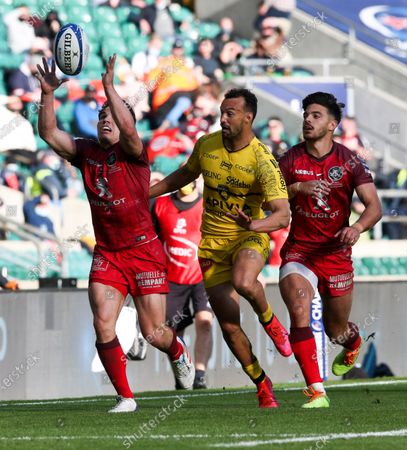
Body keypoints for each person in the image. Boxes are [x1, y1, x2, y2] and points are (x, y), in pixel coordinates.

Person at [35, 54, 195, 413]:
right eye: (101, 115)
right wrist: (48, 94)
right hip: (108, 253)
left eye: (112, 115)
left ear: (126, 125)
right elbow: (48, 133)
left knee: (154, 331)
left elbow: (130, 128)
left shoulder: (135, 154)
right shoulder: (86, 152)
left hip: (144, 250)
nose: (105, 119)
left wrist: (110, 89)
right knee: (102, 323)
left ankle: (177, 349)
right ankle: (126, 397)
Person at [150, 88, 292, 408]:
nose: (222, 118)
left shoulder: (263, 161)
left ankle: (270, 321)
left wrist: (254, 225)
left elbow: (283, 215)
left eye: (230, 113)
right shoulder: (207, 144)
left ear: (248, 118)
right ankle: (261, 382)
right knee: (229, 326)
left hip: (249, 237)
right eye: (221, 112)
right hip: (211, 247)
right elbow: (184, 174)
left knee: (244, 282)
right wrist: (149, 192)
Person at [277, 92, 382, 408]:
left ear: (333, 124)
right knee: (299, 309)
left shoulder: (349, 160)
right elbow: (267, 197)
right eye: (306, 114)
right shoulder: (290, 159)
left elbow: (374, 206)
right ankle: (317, 390)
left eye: (316, 115)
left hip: (336, 254)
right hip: (300, 251)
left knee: (336, 331)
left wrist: (357, 227)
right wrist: (296, 188)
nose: (308, 119)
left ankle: (351, 343)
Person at [153, 179, 214, 389]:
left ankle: (199, 374)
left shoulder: (208, 206)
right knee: (173, 331)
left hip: (203, 276)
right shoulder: (160, 206)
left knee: (205, 323)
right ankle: (182, 376)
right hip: (172, 278)